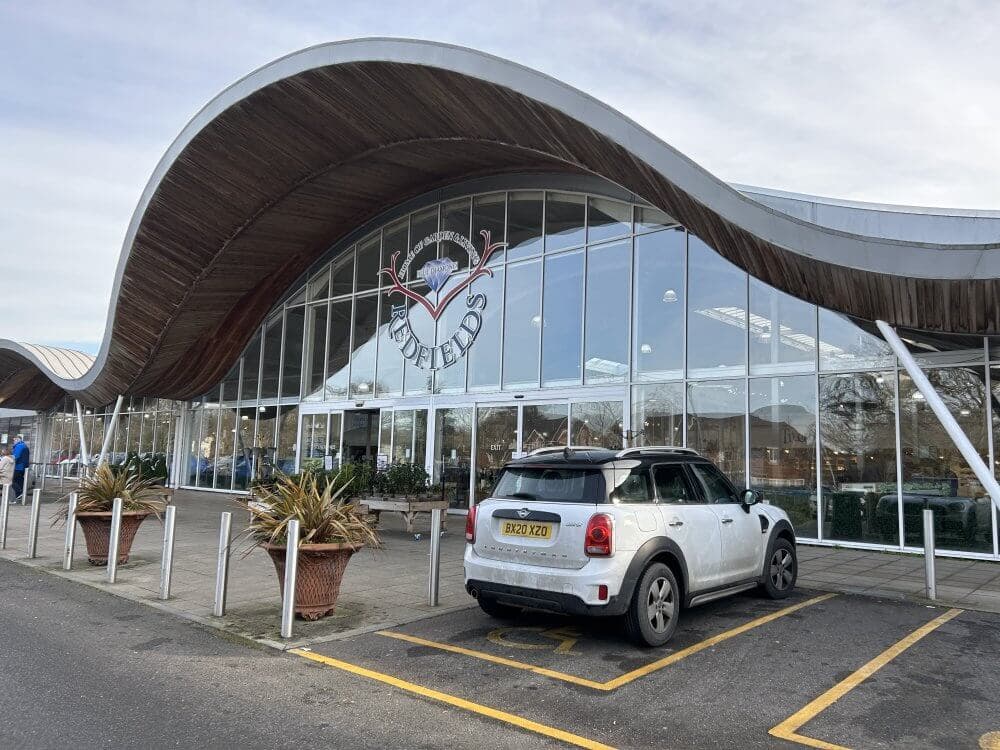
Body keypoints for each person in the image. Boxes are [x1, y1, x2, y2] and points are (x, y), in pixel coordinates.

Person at [11, 434, 29, 503]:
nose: (14, 442)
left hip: (18, 467)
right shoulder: (24, 446)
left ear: (18, 439)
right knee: (20, 481)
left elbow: (16, 456)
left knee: (11, 480)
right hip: (24, 467)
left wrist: (8, 459)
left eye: (14, 440)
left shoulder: (19, 446)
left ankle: (19, 493)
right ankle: (22, 494)